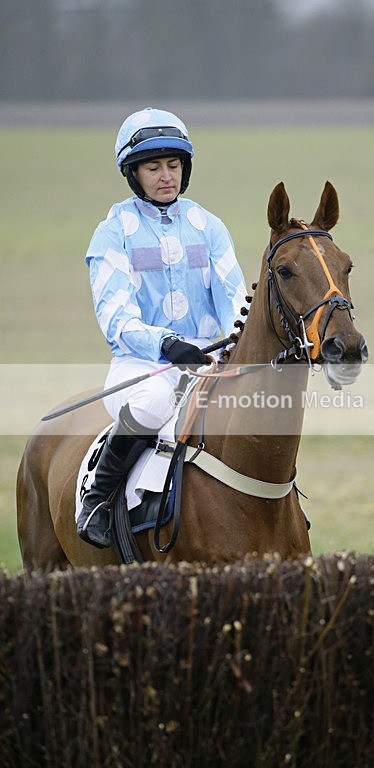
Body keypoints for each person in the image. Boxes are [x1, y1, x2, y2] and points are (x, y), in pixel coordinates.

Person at [77, 107, 247, 548]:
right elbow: (116, 318)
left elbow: (235, 301)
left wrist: (235, 347)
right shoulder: (112, 233)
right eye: (153, 167)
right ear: (133, 173)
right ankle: (98, 498)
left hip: (207, 361)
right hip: (142, 365)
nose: (165, 176)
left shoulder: (209, 226)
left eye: (174, 165)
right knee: (154, 402)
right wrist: (165, 343)